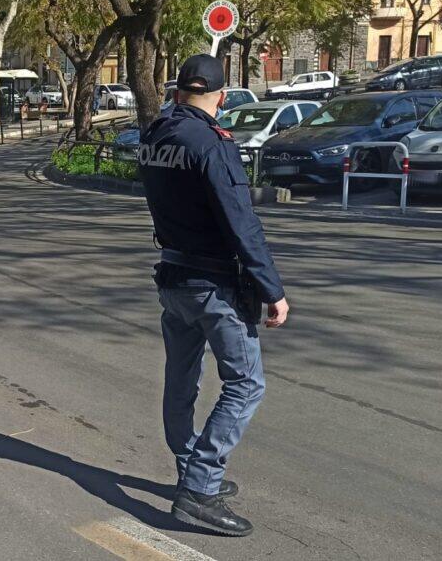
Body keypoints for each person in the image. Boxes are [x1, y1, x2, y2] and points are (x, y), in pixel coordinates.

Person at [137, 54, 289, 537]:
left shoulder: (156, 135)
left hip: (173, 277)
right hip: (212, 285)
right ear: (221, 97)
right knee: (247, 384)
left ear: (179, 90)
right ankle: (199, 489)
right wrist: (272, 290)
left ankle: (189, 470)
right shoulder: (212, 143)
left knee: (181, 378)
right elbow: (241, 222)